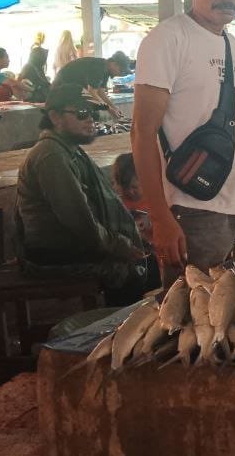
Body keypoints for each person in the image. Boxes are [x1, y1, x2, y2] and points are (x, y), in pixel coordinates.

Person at [132, 0, 235, 282]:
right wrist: (160, 218)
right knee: (195, 309)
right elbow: (141, 133)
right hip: (191, 210)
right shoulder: (167, 39)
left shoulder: (233, 46)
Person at [15, 84, 152, 306]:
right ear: (55, 117)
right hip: (52, 252)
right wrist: (121, 245)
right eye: (81, 113)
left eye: (92, 113)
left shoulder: (69, 150)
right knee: (135, 270)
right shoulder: (52, 156)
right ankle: (119, 324)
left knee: (150, 255)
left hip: (71, 243)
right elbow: (80, 221)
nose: (90, 120)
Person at [51, 51, 132, 118]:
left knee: (92, 114)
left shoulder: (106, 69)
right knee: (91, 115)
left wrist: (115, 108)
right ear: (114, 64)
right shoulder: (99, 67)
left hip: (70, 92)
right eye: (121, 71)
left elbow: (101, 93)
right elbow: (92, 92)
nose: (119, 74)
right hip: (60, 91)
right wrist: (109, 110)